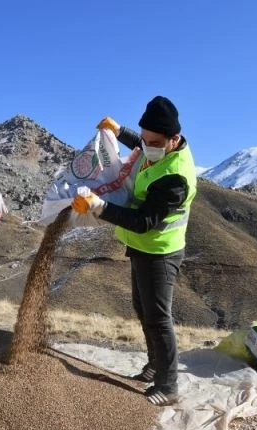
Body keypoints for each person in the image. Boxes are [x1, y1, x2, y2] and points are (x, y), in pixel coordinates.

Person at [71, 96, 197, 406]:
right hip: (142, 248)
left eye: (155, 143)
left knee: (158, 317)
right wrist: (119, 131)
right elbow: (141, 143)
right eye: (144, 139)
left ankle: (168, 386)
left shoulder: (175, 177)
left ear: (174, 139)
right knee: (143, 308)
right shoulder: (156, 146)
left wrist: (99, 207)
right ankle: (155, 364)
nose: (146, 146)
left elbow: (144, 222)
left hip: (160, 251)